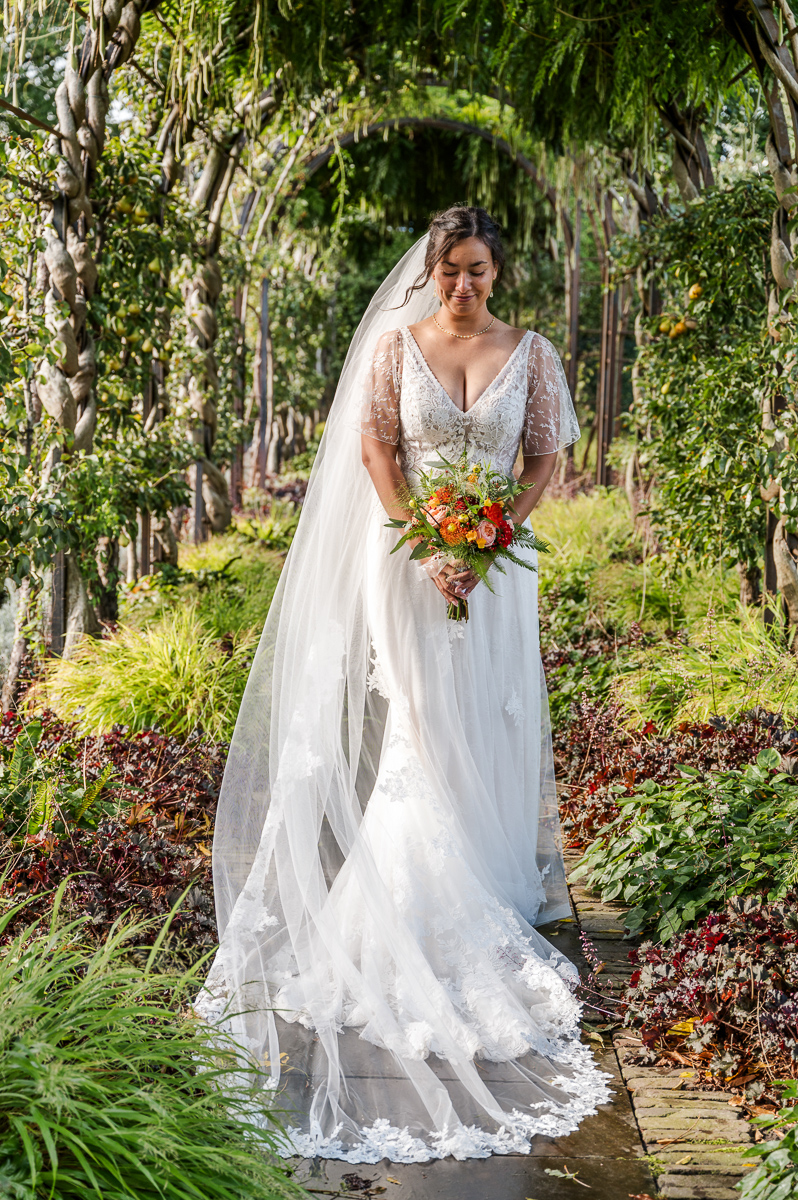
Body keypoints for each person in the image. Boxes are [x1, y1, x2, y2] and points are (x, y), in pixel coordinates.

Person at [198, 206, 610, 1164]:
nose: (462, 285)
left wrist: (497, 528)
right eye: (449, 271)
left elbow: (546, 457)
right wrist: (422, 540)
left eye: (476, 270)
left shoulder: (533, 354)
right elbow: (378, 448)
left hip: (501, 570)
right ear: (431, 274)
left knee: (487, 720)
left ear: (498, 273)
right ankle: (407, 903)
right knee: (419, 729)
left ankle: (484, 887)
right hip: (408, 565)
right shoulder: (395, 348)